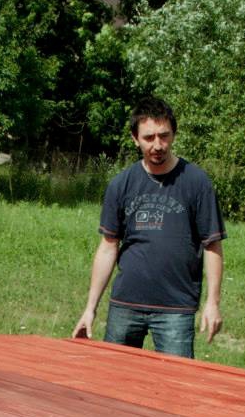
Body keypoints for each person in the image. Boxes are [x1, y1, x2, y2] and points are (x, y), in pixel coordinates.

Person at [72, 97, 225, 358]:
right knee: (113, 383)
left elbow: (212, 245)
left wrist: (212, 303)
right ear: (135, 138)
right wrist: (90, 309)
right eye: (149, 137)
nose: (157, 145)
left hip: (176, 309)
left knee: (175, 388)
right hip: (125, 304)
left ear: (173, 134)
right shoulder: (121, 184)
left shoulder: (197, 183)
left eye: (164, 136)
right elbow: (108, 248)